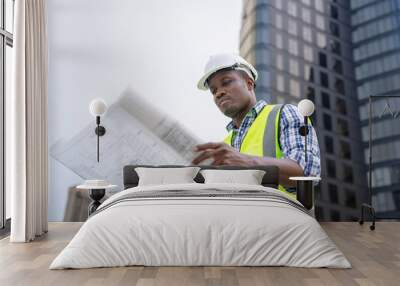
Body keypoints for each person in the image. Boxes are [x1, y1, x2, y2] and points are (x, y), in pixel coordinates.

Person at [192, 53, 320, 198]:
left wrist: (248, 162)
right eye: (213, 90)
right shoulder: (224, 146)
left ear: (249, 83)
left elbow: (308, 172)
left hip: (284, 217)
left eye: (226, 82)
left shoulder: (285, 114)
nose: (219, 93)